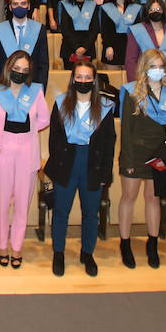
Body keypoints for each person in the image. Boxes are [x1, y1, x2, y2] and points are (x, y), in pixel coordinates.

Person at [0, 49, 50, 269]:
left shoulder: (36, 92)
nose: (20, 73)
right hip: (0, 153)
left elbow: (44, 119)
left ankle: (17, 247)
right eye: (16, 69)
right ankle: (1, 245)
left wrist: (30, 132)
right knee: (2, 203)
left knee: (23, 205)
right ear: (9, 69)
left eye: (25, 70)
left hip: (26, 153)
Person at [44, 58, 116, 277]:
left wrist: (106, 174)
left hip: (92, 165)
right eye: (79, 76)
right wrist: (55, 168)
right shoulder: (61, 102)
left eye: (87, 77)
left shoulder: (104, 107)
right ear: (73, 79)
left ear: (94, 80)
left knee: (90, 214)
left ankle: (87, 253)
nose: (83, 80)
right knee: (60, 211)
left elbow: (109, 144)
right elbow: (53, 139)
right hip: (66, 163)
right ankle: (58, 252)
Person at [117, 48, 166, 269]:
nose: (157, 71)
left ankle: (152, 244)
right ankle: (125, 244)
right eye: (152, 66)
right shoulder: (132, 92)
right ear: (144, 68)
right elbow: (126, 129)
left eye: (160, 66)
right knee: (129, 197)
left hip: (160, 153)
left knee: (153, 199)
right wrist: (126, 160)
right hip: (135, 153)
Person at [0, 0, 49, 85]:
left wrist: (40, 90)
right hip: (5, 85)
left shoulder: (40, 29)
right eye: (15, 4)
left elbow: (43, 64)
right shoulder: (0, 29)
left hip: (32, 85)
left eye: (23, 3)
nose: (19, 7)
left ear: (29, 6)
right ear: (10, 7)